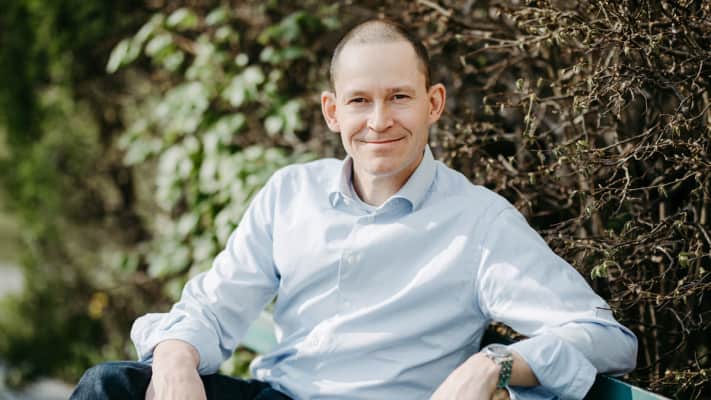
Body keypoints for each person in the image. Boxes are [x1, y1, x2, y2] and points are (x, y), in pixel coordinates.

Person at [71, 18, 637, 400]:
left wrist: (496, 363)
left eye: (399, 97)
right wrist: (175, 355)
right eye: (360, 100)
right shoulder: (291, 193)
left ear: (433, 103)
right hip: (279, 396)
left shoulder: (479, 223)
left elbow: (607, 337)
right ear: (332, 112)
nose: (379, 120)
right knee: (109, 387)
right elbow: (214, 307)